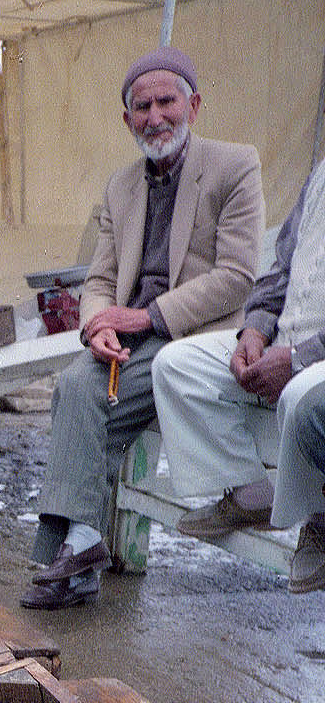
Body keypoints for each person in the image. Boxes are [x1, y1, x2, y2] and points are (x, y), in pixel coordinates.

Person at [21, 46, 263, 611]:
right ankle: (81, 548)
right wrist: (96, 328)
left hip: (198, 337)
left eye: (166, 102)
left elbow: (237, 277)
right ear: (126, 118)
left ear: (194, 105)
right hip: (134, 342)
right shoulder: (121, 186)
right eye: (141, 107)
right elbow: (100, 279)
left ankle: (74, 556)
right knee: (77, 387)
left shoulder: (234, 165)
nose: (155, 117)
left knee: (85, 415)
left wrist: (147, 316)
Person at [151, 158, 325, 593]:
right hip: (288, 340)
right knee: (177, 365)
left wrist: (299, 360)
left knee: (302, 396)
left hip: (316, 359)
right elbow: (281, 271)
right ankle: (252, 495)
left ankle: (319, 525)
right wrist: (255, 332)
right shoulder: (319, 175)